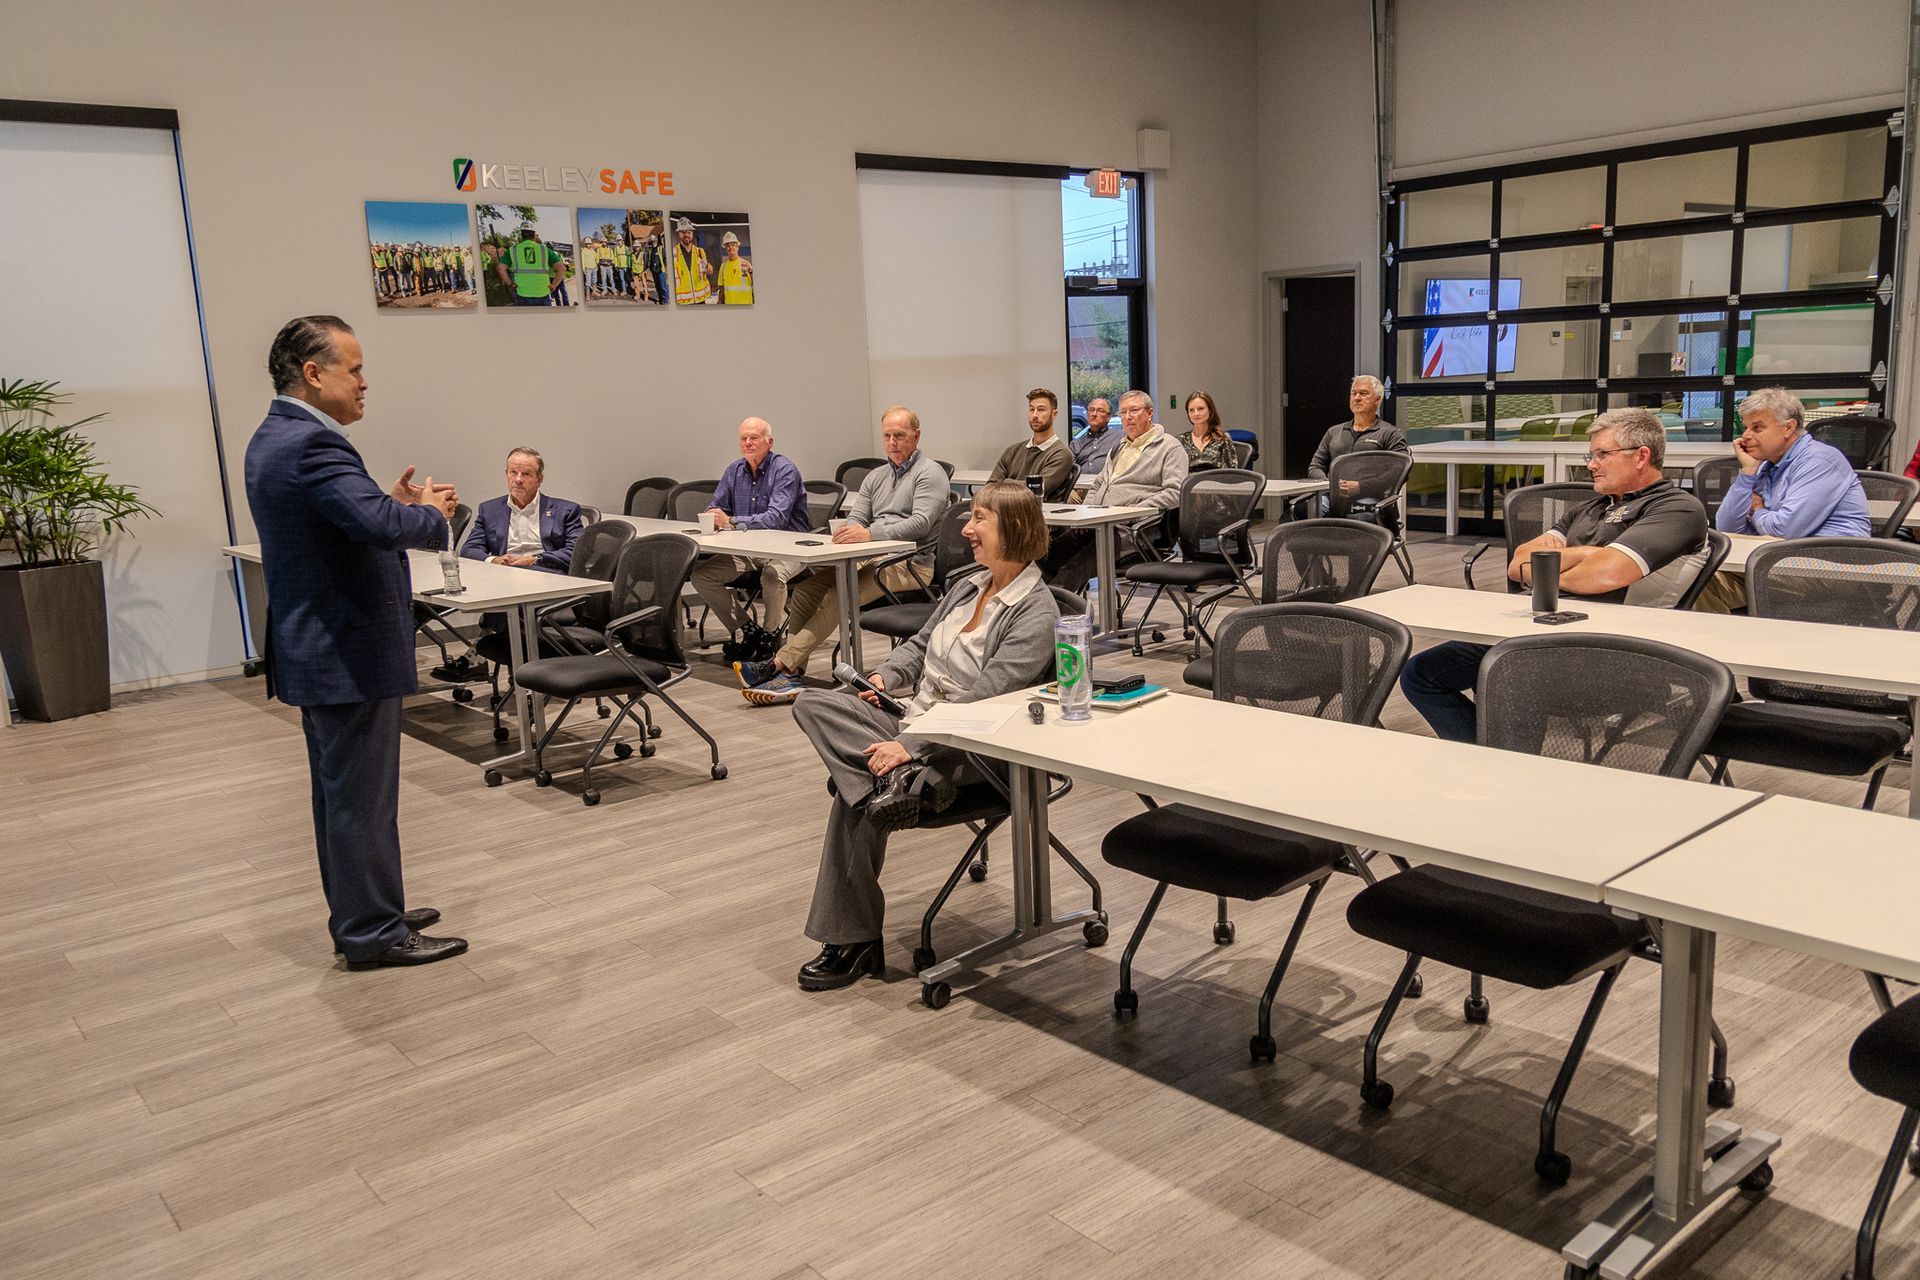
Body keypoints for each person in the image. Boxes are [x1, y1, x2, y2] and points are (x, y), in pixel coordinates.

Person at [242, 315, 468, 970]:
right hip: (345, 651)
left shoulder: (279, 436)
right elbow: (372, 523)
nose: (365, 383)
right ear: (313, 374)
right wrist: (427, 514)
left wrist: (387, 502)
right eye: (355, 369)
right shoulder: (314, 445)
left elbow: (345, 519)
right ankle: (372, 932)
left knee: (348, 797)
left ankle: (371, 910)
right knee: (359, 802)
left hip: (322, 649)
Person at [789, 481, 1060, 991]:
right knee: (812, 701)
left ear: (1014, 530)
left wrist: (909, 746)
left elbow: (985, 697)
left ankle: (854, 939)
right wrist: (886, 677)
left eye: (979, 519)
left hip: (976, 750)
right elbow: (916, 645)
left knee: (857, 793)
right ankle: (902, 781)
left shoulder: (1037, 613)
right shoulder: (967, 585)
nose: (967, 529)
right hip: (917, 725)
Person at [1400, 408, 1710, 742]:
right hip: (1534, 628)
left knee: (1502, 673)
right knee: (1420, 673)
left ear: (1641, 456)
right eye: (1591, 455)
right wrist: (1588, 556)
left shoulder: (1676, 508)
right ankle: (1488, 759)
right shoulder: (1591, 507)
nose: (1591, 465)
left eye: (1602, 455)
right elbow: (1517, 564)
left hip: (1610, 650)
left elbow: (1605, 576)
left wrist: (1552, 566)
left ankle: (1505, 767)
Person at [735, 406, 948, 703]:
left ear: (917, 435)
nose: (892, 442)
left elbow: (920, 524)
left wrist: (869, 534)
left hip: (909, 564)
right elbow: (857, 517)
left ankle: (778, 664)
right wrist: (854, 531)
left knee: (839, 595)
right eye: (887, 435)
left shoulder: (930, 474)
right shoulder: (876, 476)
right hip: (871, 556)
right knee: (807, 590)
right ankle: (792, 674)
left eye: (899, 435)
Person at [1691, 388, 1872, 612]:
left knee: (1702, 580)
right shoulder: (1767, 464)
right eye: (1745, 427)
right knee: (1696, 579)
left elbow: (1785, 529)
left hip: (1831, 570)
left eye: (1757, 427)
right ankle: (1725, 643)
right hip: (1781, 562)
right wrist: (1747, 473)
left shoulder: (1819, 460)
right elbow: (1728, 527)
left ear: (1789, 427)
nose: (1746, 436)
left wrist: (1757, 511)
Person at [1044, 388, 1188, 590]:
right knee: (1048, 553)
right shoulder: (1119, 447)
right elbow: (1098, 484)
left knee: (1080, 562)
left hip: (1136, 530)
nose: (1128, 417)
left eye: (1134, 411)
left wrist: (1133, 512)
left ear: (1149, 413)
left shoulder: (1169, 448)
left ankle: (1053, 613)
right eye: (1123, 413)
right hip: (1100, 523)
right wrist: (1088, 511)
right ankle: (1026, 608)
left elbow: (1175, 493)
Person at [690, 417, 809, 636]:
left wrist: (731, 521)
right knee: (702, 575)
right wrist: (713, 516)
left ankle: (769, 636)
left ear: (770, 442)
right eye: (743, 438)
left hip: (788, 548)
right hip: (748, 548)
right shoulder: (734, 470)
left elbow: (776, 520)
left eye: (754, 438)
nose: (748, 443)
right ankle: (748, 629)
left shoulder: (784, 471)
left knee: (772, 575)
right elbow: (716, 506)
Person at [461, 447, 584, 571]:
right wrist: (493, 560)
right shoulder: (489, 510)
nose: (518, 480)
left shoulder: (566, 511)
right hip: (503, 573)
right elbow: (470, 549)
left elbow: (576, 551)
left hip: (545, 573)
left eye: (526, 474)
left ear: (539, 479)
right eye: (513, 472)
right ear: (506, 474)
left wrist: (536, 559)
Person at [1308, 375, 1408, 513]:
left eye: (1363, 393)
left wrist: (1360, 486)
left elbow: (1399, 471)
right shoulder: (1334, 432)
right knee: (1305, 513)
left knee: (1360, 518)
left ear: (1378, 399)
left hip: (1371, 496)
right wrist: (1330, 485)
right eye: (1353, 393)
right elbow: (1315, 466)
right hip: (1332, 494)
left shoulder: (1390, 433)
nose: (1357, 398)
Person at [987, 387, 1077, 501]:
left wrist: (1005, 482)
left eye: (1041, 410)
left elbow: (1034, 491)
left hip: (1036, 514)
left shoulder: (1061, 454)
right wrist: (1013, 485)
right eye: (1031, 409)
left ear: (1054, 414)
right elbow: (989, 487)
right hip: (1004, 510)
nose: (1034, 415)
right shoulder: (1012, 451)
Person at [497, 223, 563, 307]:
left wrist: (510, 284)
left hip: (523, 293)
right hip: (542, 292)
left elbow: (500, 268)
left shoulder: (513, 250)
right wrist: (554, 285)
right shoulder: (544, 249)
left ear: (522, 234)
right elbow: (561, 268)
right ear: (534, 234)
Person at [1176, 391, 1236, 470]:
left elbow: (1231, 474)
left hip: (1216, 481)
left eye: (1200, 409)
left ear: (1210, 410)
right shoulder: (1180, 441)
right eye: (1191, 410)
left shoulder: (1222, 439)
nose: (1196, 413)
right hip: (1190, 482)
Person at [671, 217, 714, 304]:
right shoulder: (673, 253)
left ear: (692, 234)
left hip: (701, 299)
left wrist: (709, 269)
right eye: (683, 232)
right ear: (678, 234)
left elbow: (706, 271)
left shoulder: (700, 252)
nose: (686, 235)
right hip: (683, 301)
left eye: (689, 232)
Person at [1072, 397, 1121, 470]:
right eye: (1091, 410)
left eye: (1100, 411)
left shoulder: (1119, 439)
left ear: (1108, 417)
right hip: (1080, 480)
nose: (1094, 414)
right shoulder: (1076, 444)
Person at [716, 231, 753, 304]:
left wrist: (751, 271)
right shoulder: (723, 267)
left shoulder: (746, 264)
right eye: (728, 246)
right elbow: (722, 288)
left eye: (733, 245)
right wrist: (719, 302)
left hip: (745, 305)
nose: (730, 247)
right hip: (730, 305)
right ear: (725, 249)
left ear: (737, 247)